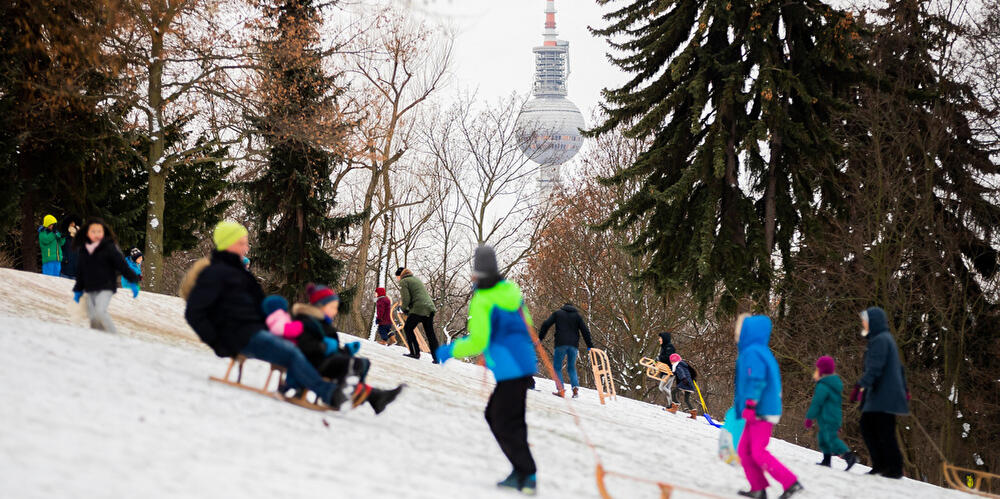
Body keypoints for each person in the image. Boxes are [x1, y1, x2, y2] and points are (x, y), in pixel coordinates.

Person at [181, 221, 349, 409]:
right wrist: (217, 343)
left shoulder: (242, 274)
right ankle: (328, 393)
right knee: (290, 352)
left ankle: (328, 381)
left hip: (255, 331)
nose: (246, 248)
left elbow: (260, 307)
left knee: (301, 344)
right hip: (239, 336)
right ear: (228, 244)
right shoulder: (214, 274)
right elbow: (194, 312)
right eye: (242, 243)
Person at [436, 245, 538, 495]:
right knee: (505, 417)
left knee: (500, 418)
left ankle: (527, 473)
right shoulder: (510, 291)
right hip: (522, 363)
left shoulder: (483, 298)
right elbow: (527, 325)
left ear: (478, 273)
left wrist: (449, 350)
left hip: (510, 368)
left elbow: (478, 341)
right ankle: (522, 471)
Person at [262, 290, 403, 414]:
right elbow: (305, 345)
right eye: (333, 307)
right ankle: (344, 397)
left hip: (325, 358)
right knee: (352, 364)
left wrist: (346, 349)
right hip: (314, 363)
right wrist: (324, 347)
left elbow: (331, 346)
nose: (335, 311)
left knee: (362, 363)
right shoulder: (308, 321)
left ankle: (374, 398)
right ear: (321, 306)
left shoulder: (323, 323)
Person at [733, 314, 803, 499]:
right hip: (759, 409)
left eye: (740, 330)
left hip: (760, 410)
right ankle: (758, 488)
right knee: (745, 451)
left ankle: (791, 482)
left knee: (757, 451)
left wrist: (750, 405)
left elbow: (756, 380)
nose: (737, 333)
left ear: (748, 332)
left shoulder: (753, 352)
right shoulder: (757, 350)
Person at [851, 307, 909, 479]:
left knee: (878, 429)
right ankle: (882, 465)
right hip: (882, 393)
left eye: (865, 321)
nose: (863, 324)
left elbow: (875, 368)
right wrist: (904, 389)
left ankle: (893, 467)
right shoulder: (884, 338)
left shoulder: (880, 340)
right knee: (873, 427)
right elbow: (900, 368)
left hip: (883, 394)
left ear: (873, 322)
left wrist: (860, 385)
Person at [71, 218, 140, 334]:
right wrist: (78, 289)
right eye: (93, 232)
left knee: (100, 311)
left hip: (106, 286)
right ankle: (99, 338)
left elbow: (122, 265)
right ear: (87, 233)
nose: (96, 234)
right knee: (93, 317)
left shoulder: (109, 247)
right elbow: (81, 271)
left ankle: (113, 336)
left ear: (103, 233)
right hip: (90, 287)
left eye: (99, 231)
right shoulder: (84, 249)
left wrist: (133, 281)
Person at [805, 356, 857, 470]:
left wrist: (809, 417)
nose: (815, 371)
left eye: (817, 369)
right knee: (823, 438)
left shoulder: (824, 386)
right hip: (831, 417)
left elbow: (817, 403)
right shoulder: (832, 385)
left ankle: (849, 456)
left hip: (828, 418)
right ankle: (826, 460)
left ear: (822, 370)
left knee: (831, 439)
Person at [538, 302, 594, 398]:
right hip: (573, 345)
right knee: (571, 367)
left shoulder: (558, 313)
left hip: (560, 343)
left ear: (564, 307)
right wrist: (590, 346)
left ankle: (561, 390)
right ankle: (575, 389)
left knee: (557, 367)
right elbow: (585, 331)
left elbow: (546, 324)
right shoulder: (577, 316)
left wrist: (540, 338)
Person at [395, 267, 440, 362]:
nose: (397, 279)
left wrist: (402, 309)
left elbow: (406, 299)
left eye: (397, 277)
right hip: (429, 308)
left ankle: (415, 353)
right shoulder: (415, 279)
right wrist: (408, 310)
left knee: (408, 328)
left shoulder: (404, 282)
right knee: (430, 334)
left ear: (400, 275)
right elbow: (417, 296)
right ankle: (437, 358)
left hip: (419, 308)